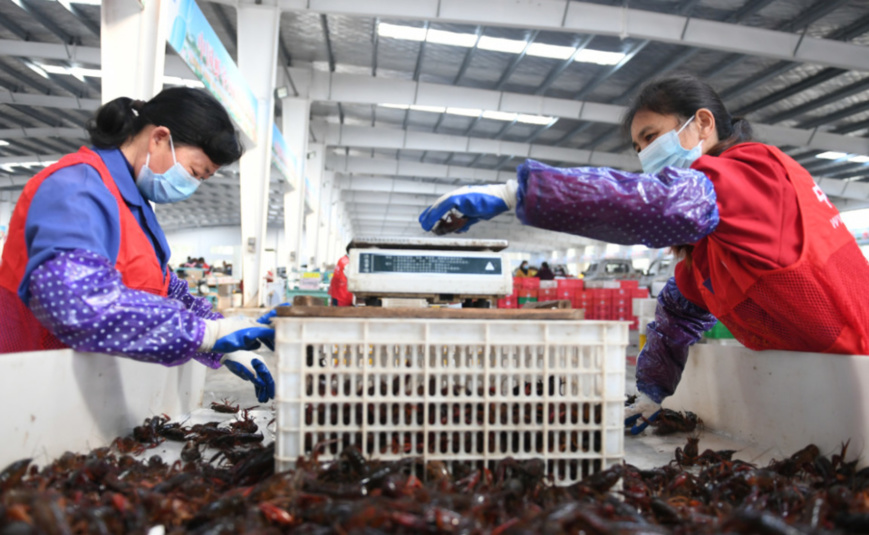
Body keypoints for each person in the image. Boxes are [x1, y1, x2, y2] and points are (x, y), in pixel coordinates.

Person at [418, 73, 869, 433]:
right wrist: (652, 390)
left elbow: (655, 203)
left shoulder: (752, 174)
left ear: (703, 123)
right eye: (638, 148)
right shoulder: (710, 245)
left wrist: (516, 193)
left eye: (652, 137)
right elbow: (679, 311)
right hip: (826, 390)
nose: (646, 155)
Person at [0, 87, 276, 403]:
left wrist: (225, 339)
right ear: (159, 138)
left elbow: (165, 290)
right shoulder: (77, 189)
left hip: (85, 392)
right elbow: (76, 303)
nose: (192, 187)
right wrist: (203, 335)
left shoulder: (133, 206)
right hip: (30, 387)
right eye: (194, 172)